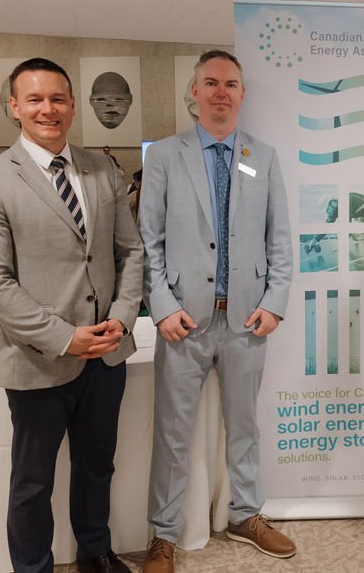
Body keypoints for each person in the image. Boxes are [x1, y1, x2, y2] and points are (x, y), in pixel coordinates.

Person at [0, 57, 142, 573]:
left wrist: (123, 317)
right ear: (14, 106)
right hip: (38, 357)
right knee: (33, 480)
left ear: (72, 105)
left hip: (107, 351)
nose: (48, 109)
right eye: (34, 99)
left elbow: (130, 252)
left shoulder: (102, 169)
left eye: (58, 98)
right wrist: (64, 337)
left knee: (97, 465)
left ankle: (95, 551)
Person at [139, 50, 294, 573]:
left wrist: (274, 303)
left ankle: (245, 514)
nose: (221, 92)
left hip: (247, 320)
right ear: (195, 91)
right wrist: (162, 306)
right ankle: (163, 534)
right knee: (172, 433)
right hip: (183, 323)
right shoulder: (165, 155)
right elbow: (148, 241)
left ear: (242, 93)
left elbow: (280, 238)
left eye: (230, 83)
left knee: (245, 426)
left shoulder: (262, 156)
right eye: (211, 82)